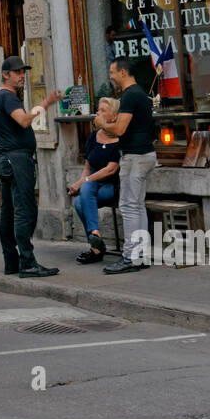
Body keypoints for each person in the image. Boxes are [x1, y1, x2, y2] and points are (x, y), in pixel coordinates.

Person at [0, 55, 61, 278]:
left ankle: (11, 262)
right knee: (24, 211)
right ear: (5, 74)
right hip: (17, 160)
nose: (22, 76)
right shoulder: (8, 97)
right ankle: (28, 263)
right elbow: (24, 120)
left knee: (9, 212)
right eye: (17, 72)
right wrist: (46, 103)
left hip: (7, 159)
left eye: (23, 72)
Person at [94, 57, 157, 273]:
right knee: (138, 205)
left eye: (112, 73)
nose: (110, 77)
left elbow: (120, 129)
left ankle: (130, 257)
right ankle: (141, 254)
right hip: (146, 153)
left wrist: (101, 123)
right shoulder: (140, 94)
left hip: (134, 156)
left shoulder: (130, 95)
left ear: (122, 72)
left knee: (129, 207)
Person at [68, 96, 121, 263]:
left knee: (80, 200)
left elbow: (110, 170)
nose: (97, 113)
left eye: (103, 110)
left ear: (114, 116)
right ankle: (95, 238)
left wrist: (80, 183)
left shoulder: (120, 138)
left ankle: (95, 248)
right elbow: (87, 168)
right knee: (81, 196)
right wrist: (82, 181)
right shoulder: (93, 136)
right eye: (98, 110)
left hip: (113, 185)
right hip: (93, 184)